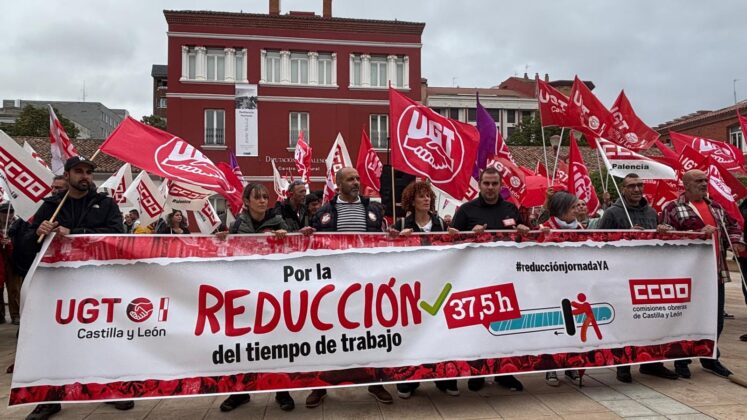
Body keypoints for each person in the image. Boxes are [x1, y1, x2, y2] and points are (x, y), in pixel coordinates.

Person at [18, 156, 131, 420]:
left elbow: (118, 235)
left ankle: (108, 388)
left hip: (96, 285)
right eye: (78, 171)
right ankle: (49, 397)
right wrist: (38, 233)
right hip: (57, 287)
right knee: (53, 341)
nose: (85, 176)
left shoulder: (105, 204)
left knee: (103, 337)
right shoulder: (49, 207)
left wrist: (75, 232)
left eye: (88, 172)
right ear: (67, 175)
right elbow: (24, 247)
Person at [307, 167, 392, 408]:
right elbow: (313, 245)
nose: (356, 182)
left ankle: (376, 382)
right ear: (338, 183)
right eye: (350, 179)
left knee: (371, 333)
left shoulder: (374, 209)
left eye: (357, 178)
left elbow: (383, 241)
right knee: (327, 336)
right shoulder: (324, 212)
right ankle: (319, 385)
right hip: (333, 286)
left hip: (366, 284)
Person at [450, 166, 529, 393]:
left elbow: (525, 240)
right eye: (486, 183)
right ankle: (477, 373)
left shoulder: (511, 209)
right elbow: (450, 243)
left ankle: (505, 373)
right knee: (477, 329)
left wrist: (526, 230)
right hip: (475, 280)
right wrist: (468, 235)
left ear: (501, 185)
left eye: (495, 184)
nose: (491, 188)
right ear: (480, 184)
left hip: (507, 278)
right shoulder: (466, 210)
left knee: (506, 327)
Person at [660, 169, 745, 379]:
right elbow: (665, 238)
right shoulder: (672, 208)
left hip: (715, 272)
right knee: (686, 319)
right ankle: (682, 360)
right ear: (686, 185)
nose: (704, 184)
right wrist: (697, 234)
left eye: (705, 180)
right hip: (688, 276)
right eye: (698, 181)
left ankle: (710, 357)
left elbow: (733, 226)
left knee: (716, 319)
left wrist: (735, 240)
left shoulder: (715, 207)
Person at [219, 183, 294, 413]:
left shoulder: (279, 222)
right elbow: (228, 255)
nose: (262, 201)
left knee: (276, 344)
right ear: (246, 201)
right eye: (257, 197)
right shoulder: (238, 225)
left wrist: (286, 237)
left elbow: (293, 251)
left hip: (272, 292)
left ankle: (282, 392)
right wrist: (221, 240)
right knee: (243, 344)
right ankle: (239, 392)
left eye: (265, 197)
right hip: (245, 292)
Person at [597, 173, 679, 383]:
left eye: (639, 185)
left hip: (647, 275)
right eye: (631, 186)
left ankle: (652, 363)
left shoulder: (651, 212)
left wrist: (662, 231)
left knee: (649, 320)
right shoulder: (612, 213)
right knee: (623, 322)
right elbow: (598, 242)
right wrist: (625, 235)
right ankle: (623, 366)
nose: (636, 189)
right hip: (620, 276)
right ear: (623, 189)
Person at [389, 181, 455, 398]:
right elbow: (389, 254)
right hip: (411, 289)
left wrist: (457, 237)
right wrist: (397, 239)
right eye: (422, 196)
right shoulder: (401, 224)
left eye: (429, 196)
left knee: (438, 333)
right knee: (412, 334)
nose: (426, 199)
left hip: (437, 287)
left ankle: (442, 378)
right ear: (412, 201)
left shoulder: (442, 225)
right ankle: (409, 380)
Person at [539, 191, 585, 386]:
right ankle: (551, 368)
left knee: (573, 327)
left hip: (574, 285)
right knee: (553, 327)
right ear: (562, 209)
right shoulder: (544, 228)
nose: (577, 210)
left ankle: (571, 366)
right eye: (573, 206)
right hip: (551, 287)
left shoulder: (581, 228)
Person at [0, 203, 23, 325]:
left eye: (9, 212)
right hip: (0, 259)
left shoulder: (18, 223)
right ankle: (0, 315)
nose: (6, 215)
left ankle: (15, 315)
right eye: (3, 212)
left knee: (14, 288)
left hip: (13, 260)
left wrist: (11, 243)